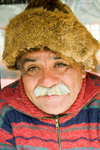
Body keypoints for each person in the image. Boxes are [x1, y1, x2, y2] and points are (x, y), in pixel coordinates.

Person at [0, 0, 100, 149]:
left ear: (82, 68)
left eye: (60, 65)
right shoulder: (4, 107)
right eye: (33, 68)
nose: (47, 82)